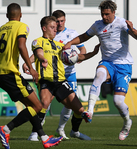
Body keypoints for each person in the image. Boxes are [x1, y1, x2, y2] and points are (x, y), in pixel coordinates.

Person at [0, 3, 63, 149]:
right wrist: (32, 68)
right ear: (20, 15)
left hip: (0, 75)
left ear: (7, 16)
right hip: (11, 74)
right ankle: (6, 129)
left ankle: (44, 138)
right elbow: (21, 45)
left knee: (30, 106)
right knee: (38, 106)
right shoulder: (22, 26)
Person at [63, 0, 137, 141]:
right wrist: (70, 43)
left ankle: (127, 122)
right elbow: (84, 36)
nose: (104, 17)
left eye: (107, 14)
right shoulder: (97, 25)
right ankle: (90, 111)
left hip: (123, 66)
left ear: (113, 13)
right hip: (107, 63)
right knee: (99, 75)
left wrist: (132, 29)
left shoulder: (122, 23)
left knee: (118, 101)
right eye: (102, 14)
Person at [25, 15, 100, 143]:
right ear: (44, 28)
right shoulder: (38, 41)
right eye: (52, 27)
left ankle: (74, 131)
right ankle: (34, 133)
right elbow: (39, 53)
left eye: (56, 27)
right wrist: (38, 60)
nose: (56, 29)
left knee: (79, 110)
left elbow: (78, 57)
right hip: (46, 80)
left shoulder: (60, 46)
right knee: (44, 104)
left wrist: (93, 53)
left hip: (61, 81)